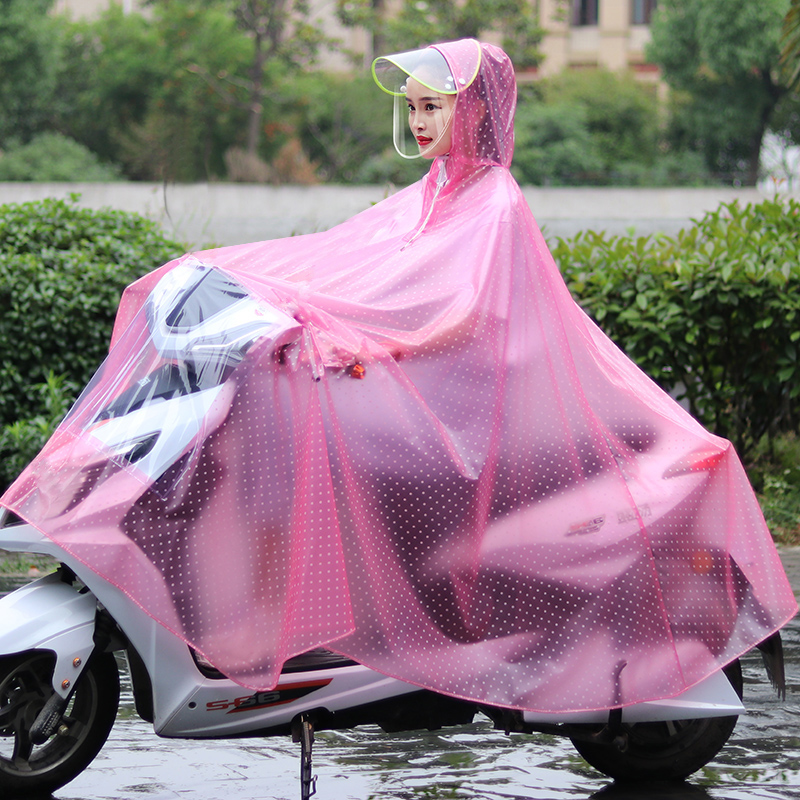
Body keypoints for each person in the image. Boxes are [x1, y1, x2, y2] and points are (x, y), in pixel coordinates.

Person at [3, 40, 796, 713]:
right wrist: (261, 300)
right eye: (412, 108)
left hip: (452, 414)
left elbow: (460, 315)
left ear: (475, 110)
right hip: (400, 397)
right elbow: (337, 258)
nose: (418, 122)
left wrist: (364, 342)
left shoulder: (492, 205)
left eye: (434, 107)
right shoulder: (429, 197)